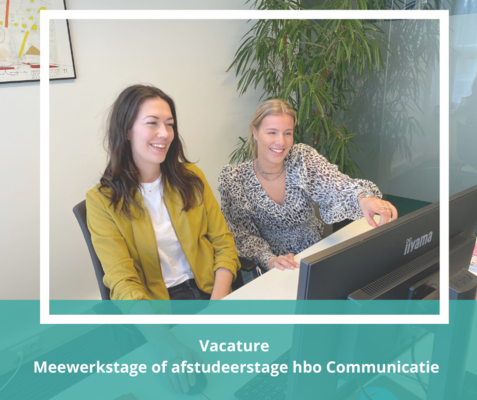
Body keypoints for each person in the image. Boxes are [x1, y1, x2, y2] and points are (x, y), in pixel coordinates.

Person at [86, 85, 240, 394]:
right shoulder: (101, 201)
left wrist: (218, 305)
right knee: (193, 386)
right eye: (152, 123)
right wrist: (163, 342)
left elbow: (224, 244)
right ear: (126, 130)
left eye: (169, 124)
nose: (165, 133)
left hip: (212, 290)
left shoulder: (191, 178)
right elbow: (122, 282)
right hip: (160, 308)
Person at [219, 99, 398, 272]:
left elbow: (335, 184)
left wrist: (363, 198)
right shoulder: (234, 178)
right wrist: (270, 260)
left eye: (287, 133)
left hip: (315, 253)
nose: (281, 142)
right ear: (255, 133)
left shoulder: (302, 158)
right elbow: (242, 235)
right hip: (276, 266)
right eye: (272, 132)